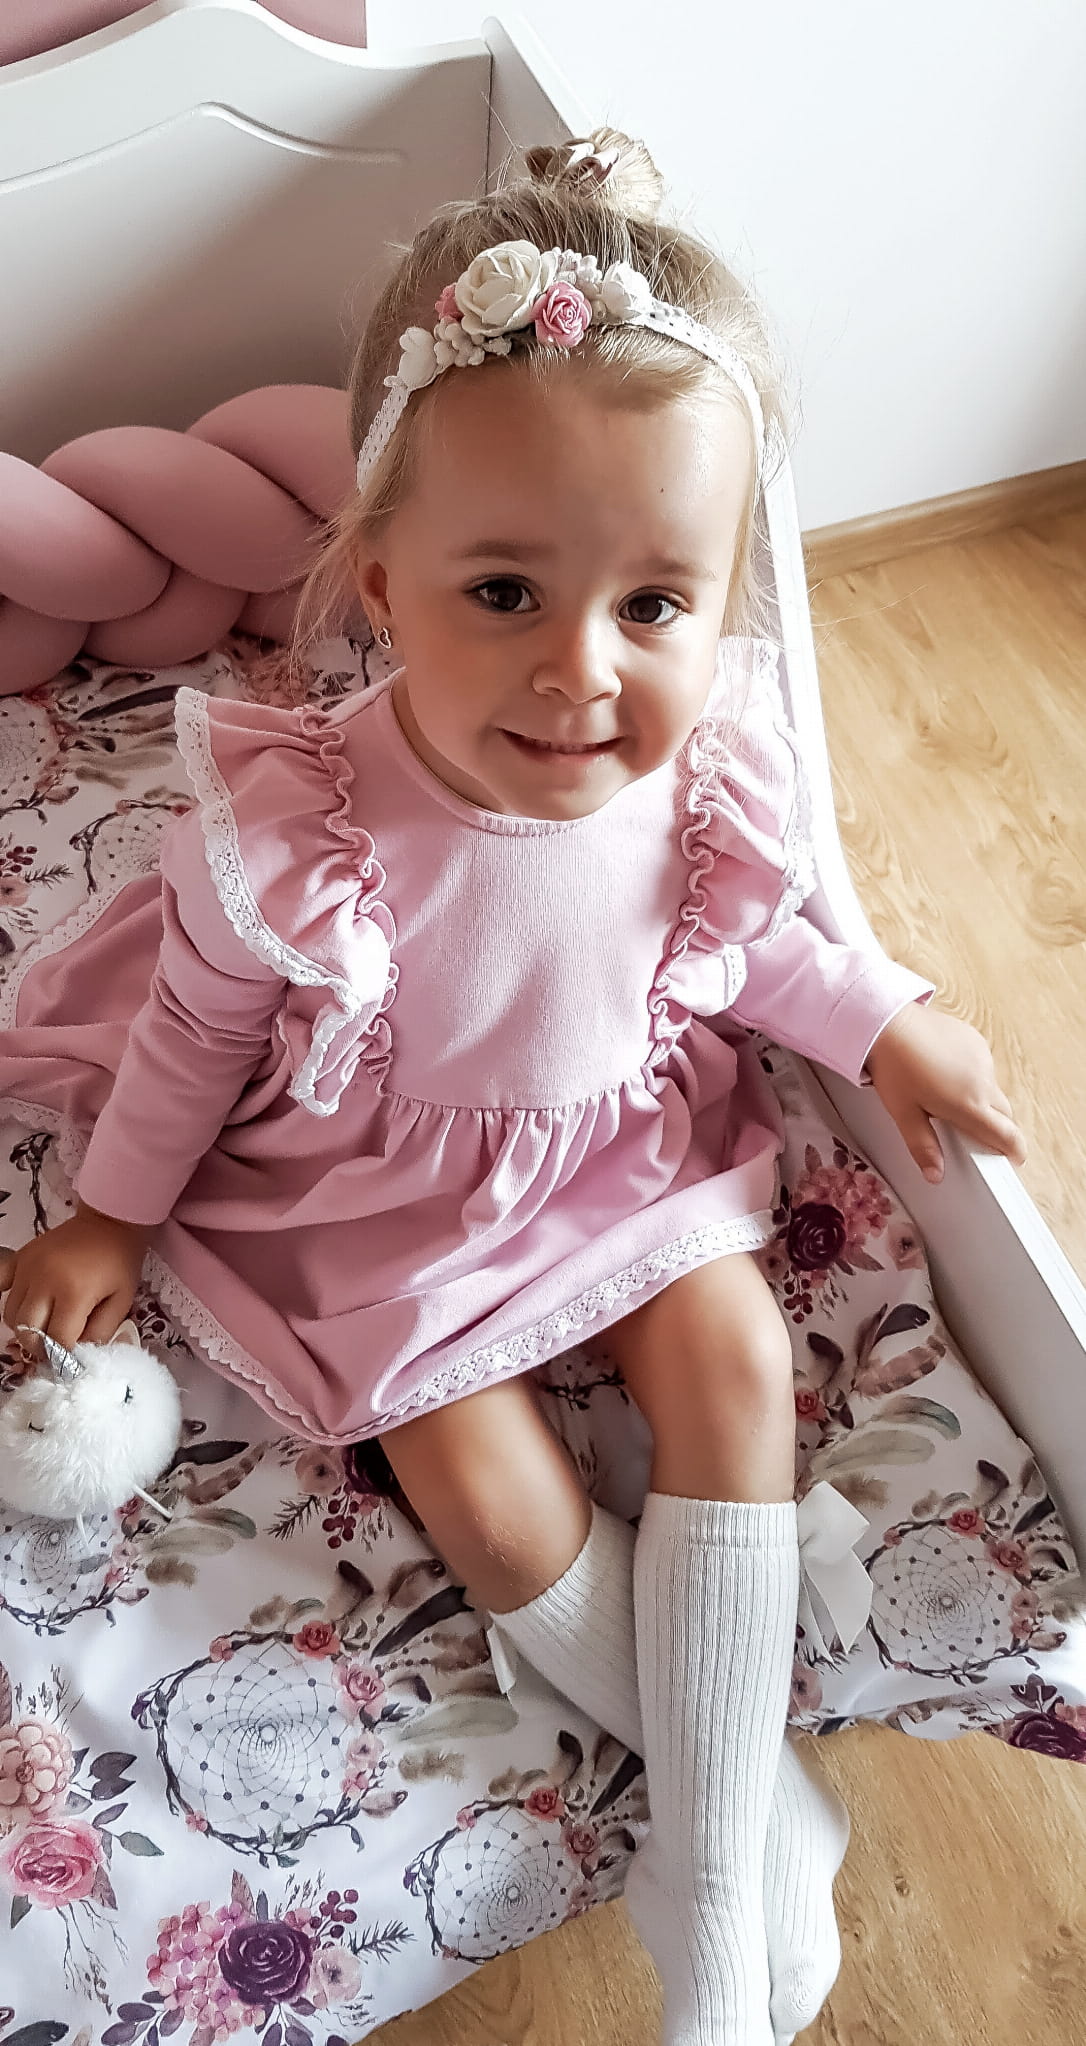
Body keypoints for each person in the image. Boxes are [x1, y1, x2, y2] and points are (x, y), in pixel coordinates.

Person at [0, 131, 1026, 2045]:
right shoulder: (297, 830)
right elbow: (195, 1038)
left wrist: (883, 1016)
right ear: (379, 575)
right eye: (501, 591)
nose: (580, 673)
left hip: (619, 1139)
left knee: (733, 1366)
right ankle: (748, 1816)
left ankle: (700, 1898)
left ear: (718, 599)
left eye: (654, 604)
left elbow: (741, 948)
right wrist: (113, 1215)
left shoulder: (697, 779)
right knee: (477, 1496)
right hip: (377, 1187)